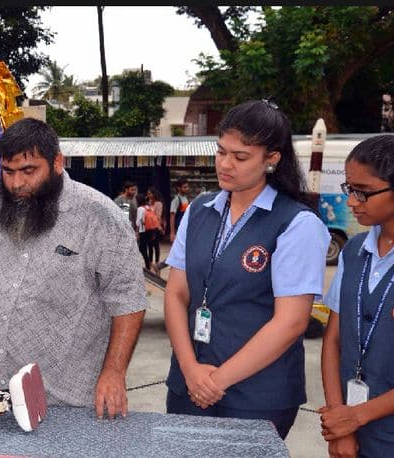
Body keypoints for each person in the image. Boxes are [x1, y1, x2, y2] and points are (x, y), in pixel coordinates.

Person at [0, 117, 147, 419]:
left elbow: (128, 299)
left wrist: (114, 372)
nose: (16, 184)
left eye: (28, 171)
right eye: (8, 171)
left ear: (57, 162)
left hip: (63, 396)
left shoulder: (100, 216)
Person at [163, 99, 330, 439]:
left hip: (257, 396)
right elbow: (176, 292)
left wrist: (217, 381)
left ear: (272, 159)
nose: (225, 164)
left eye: (240, 157)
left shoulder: (296, 223)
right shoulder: (199, 210)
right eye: (221, 151)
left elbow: (290, 322)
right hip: (189, 385)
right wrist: (190, 369)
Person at [320, 135, 394, 456]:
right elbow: (333, 340)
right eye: (349, 189)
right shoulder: (353, 251)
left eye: (363, 192)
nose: (351, 202)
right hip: (350, 432)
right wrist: (339, 424)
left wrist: (357, 416)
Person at [144, 187, 164, 273]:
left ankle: (157, 262)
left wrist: (158, 225)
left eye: (150, 194)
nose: (148, 195)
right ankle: (151, 263)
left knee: (156, 245)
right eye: (148, 194)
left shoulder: (158, 203)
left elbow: (158, 215)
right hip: (149, 227)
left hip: (156, 226)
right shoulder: (147, 203)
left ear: (153, 194)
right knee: (150, 245)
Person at [135, 193, 155, 271]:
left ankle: (147, 266)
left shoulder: (140, 208)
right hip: (150, 230)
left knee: (142, 248)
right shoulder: (149, 207)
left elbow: (138, 221)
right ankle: (149, 263)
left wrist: (136, 232)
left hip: (142, 231)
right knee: (149, 247)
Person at [169, 178, 190, 242]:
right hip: (178, 228)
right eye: (184, 187)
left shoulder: (186, 198)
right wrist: (172, 233)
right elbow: (172, 216)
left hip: (185, 227)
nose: (187, 189)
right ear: (179, 188)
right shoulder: (176, 200)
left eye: (187, 187)